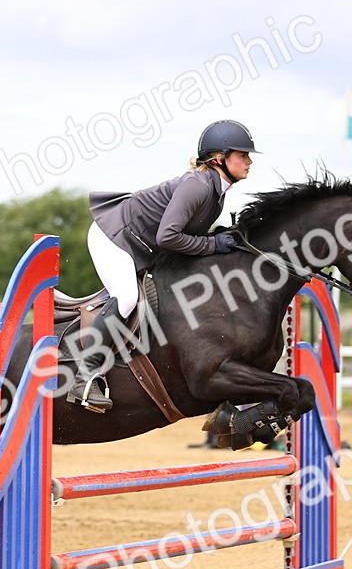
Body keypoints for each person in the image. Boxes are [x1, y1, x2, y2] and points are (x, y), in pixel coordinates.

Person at [68, 119, 259, 413]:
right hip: (113, 237)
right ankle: (85, 376)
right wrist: (212, 245)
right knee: (128, 297)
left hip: (142, 246)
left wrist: (219, 239)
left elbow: (186, 236)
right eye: (242, 155)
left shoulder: (216, 193)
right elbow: (168, 236)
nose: (248, 161)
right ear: (220, 158)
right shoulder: (197, 185)